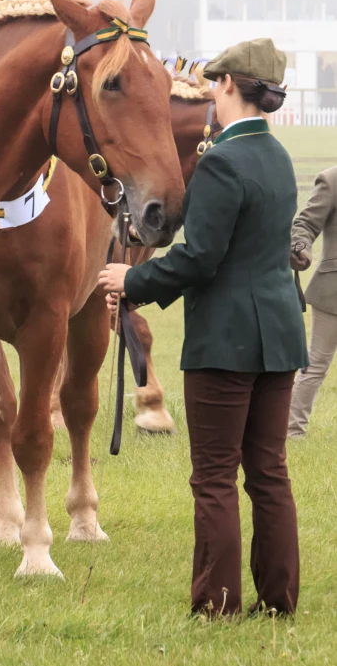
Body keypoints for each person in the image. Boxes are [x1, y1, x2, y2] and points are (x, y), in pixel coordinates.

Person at [98, 38, 308, 617]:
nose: (211, 93)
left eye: (216, 84)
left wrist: (129, 280)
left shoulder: (221, 160)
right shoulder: (278, 157)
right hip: (281, 337)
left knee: (214, 477)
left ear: (231, 88)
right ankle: (279, 598)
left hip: (225, 343)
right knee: (268, 474)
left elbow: (201, 258)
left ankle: (216, 603)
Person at [289, 165, 337, 438]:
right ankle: (293, 432)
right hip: (333, 290)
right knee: (316, 365)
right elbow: (305, 224)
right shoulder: (332, 179)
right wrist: (300, 248)